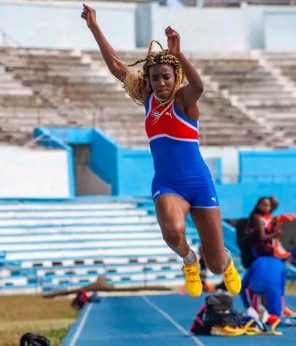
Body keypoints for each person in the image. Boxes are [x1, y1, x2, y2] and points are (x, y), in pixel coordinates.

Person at [82, 4, 240, 298]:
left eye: (166, 76)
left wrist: (179, 55)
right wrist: (94, 28)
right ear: (149, 81)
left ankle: (226, 262)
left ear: (174, 75)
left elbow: (200, 86)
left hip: (199, 183)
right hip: (169, 185)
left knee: (216, 262)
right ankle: (189, 261)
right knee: (172, 232)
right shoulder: (148, 100)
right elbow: (118, 68)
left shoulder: (185, 101)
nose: (161, 82)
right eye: (155, 78)